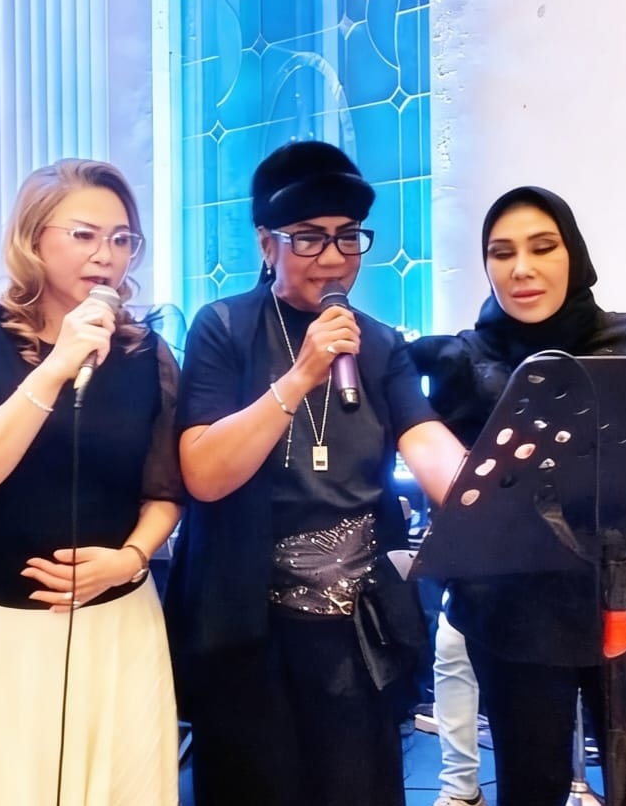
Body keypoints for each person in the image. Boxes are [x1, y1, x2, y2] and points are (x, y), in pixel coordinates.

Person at [409, 186, 626, 806]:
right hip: (517, 614)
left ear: (576, 255)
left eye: (543, 247)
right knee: (529, 787)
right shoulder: (464, 360)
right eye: (502, 253)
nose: (521, 268)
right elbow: (455, 496)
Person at [168, 141, 466, 806]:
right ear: (266, 243)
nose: (333, 258)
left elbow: (423, 437)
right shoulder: (224, 328)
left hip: (355, 627)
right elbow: (204, 474)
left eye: (348, 237)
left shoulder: (377, 342)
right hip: (249, 622)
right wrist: (302, 374)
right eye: (308, 237)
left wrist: (489, 497)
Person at [0, 159, 183, 805]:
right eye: (84, 234)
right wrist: (57, 363)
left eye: (122, 239)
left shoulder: (146, 352)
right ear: (33, 239)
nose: (106, 255)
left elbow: (165, 490)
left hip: (119, 618)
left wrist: (128, 560)